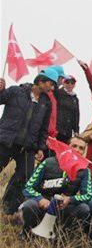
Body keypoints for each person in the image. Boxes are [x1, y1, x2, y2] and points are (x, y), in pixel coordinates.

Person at [0, 70, 56, 215]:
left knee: (25, 177)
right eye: (51, 83)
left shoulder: (46, 103)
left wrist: (41, 147)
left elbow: (43, 128)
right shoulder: (16, 91)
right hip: (5, 141)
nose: (52, 88)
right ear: (41, 81)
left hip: (28, 147)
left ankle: (7, 209)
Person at [21, 135, 92, 238]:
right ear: (67, 147)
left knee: (84, 208)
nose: (77, 150)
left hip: (63, 209)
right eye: (74, 146)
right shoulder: (48, 162)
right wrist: (40, 199)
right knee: (29, 205)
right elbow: (28, 188)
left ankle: (62, 237)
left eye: (81, 148)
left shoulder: (85, 171)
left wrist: (70, 199)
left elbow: (88, 195)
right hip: (43, 206)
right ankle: (28, 234)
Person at [55, 75, 80, 144]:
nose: (70, 84)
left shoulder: (75, 99)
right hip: (57, 130)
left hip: (68, 132)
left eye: (72, 83)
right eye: (67, 82)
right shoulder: (58, 93)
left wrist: (76, 131)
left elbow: (76, 115)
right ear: (63, 83)